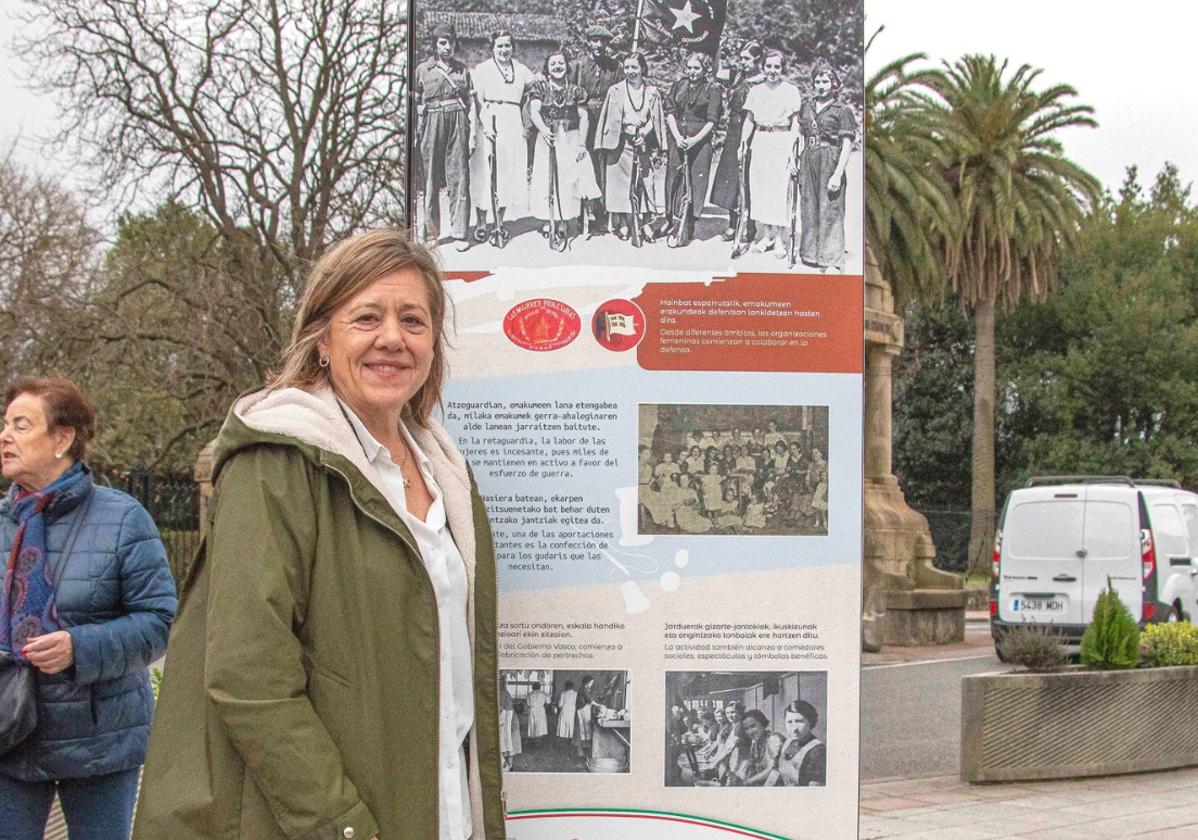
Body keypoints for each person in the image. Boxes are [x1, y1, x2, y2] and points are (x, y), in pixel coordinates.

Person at [134, 231, 506, 840]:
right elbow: (248, 675)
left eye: (413, 320)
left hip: (438, 811)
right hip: (320, 823)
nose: (393, 337)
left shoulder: (445, 475)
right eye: (367, 317)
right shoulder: (277, 463)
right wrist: (340, 825)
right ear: (323, 339)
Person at [0, 378, 176, 840]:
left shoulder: (123, 518)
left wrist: (81, 647)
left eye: (21, 425)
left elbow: (158, 622)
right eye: (5, 425)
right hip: (10, 734)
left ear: (63, 439)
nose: (5, 436)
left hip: (100, 741)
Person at [528, 50, 601, 236]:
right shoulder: (541, 88)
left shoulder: (576, 91)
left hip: (571, 138)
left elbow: (584, 117)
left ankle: (564, 219)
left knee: (569, 177)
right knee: (547, 176)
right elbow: (534, 111)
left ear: (566, 66)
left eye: (561, 63)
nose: (557, 67)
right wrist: (544, 130)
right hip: (548, 138)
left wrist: (582, 144)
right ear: (547, 68)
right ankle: (548, 217)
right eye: (553, 64)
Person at [595, 51, 667, 242]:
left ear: (642, 68)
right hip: (619, 143)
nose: (630, 71)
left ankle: (642, 221)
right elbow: (608, 117)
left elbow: (656, 118)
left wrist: (644, 133)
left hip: (641, 142)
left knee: (643, 181)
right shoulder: (615, 90)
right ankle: (624, 223)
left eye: (634, 67)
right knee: (618, 184)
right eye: (627, 67)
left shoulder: (652, 92)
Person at [414, 24, 474, 252]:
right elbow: (416, 103)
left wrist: (473, 132)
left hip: (457, 119)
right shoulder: (422, 69)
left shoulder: (461, 70)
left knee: (458, 176)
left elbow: (471, 103)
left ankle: (459, 232)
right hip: (431, 120)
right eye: (442, 42)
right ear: (435, 45)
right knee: (430, 177)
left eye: (450, 42)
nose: (447, 47)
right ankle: (431, 233)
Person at [469, 30, 533, 241]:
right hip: (489, 118)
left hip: (513, 122)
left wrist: (527, 123)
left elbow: (535, 91)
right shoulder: (483, 70)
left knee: (507, 172)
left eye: (508, 46)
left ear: (513, 47)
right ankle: (481, 222)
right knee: (486, 172)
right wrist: (486, 125)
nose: (504, 50)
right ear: (492, 48)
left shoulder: (522, 70)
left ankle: (500, 222)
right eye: (500, 46)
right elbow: (477, 100)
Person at [740, 50, 802, 255]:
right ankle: (766, 235)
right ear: (763, 67)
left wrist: (793, 152)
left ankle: (780, 241)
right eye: (769, 66)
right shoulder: (755, 91)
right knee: (761, 189)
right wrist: (743, 144)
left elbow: (795, 123)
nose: (772, 71)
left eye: (777, 67)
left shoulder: (791, 91)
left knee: (780, 190)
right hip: (760, 140)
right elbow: (749, 120)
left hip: (781, 140)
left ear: (782, 68)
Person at [798, 60, 855, 272]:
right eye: (817, 81)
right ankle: (811, 254)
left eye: (825, 81)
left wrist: (837, 174)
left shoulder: (842, 110)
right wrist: (794, 160)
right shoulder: (806, 105)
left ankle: (831, 259)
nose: (821, 85)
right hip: (808, 157)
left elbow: (847, 143)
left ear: (833, 84)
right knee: (808, 205)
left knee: (831, 208)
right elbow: (800, 135)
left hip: (830, 159)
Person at [664, 53, 722, 246]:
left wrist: (695, 140)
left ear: (705, 69)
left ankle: (689, 224)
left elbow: (712, 120)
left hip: (700, 140)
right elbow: (670, 111)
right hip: (678, 136)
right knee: (675, 177)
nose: (692, 72)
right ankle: (672, 219)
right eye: (689, 67)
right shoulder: (679, 85)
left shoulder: (712, 89)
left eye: (697, 68)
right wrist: (677, 136)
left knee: (695, 181)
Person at [570, 25, 623, 232]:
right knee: (586, 164)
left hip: (608, 118)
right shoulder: (579, 66)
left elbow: (620, 93)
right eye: (595, 40)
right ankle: (585, 210)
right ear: (588, 42)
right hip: (584, 119)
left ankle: (605, 211)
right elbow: (571, 92)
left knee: (606, 164)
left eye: (603, 41)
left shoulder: (615, 66)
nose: (599, 45)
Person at [711, 42, 765, 243]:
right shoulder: (736, 76)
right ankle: (733, 224)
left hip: (752, 131)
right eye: (741, 58)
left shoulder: (763, 82)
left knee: (749, 179)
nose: (742, 62)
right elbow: (716, 72)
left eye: (747, 59)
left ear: (757, 59)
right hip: (733, 133)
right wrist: (716, 48)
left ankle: (749, 226)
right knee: (732, 179)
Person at [778, 699, 826, 787]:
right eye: (789, 722)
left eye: (799, 721)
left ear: (810, 721)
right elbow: (777, 773)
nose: (794, 728)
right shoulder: (788, 742)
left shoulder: (817, 751)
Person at [740, 709, 785, 786]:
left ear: (763, 723)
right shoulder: (755, 743)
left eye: (753, 726)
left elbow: (772, 769)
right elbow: (752, 765)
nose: (750, 732)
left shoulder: (773, 739)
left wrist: (748, 781)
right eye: (747, 729)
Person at [573, 675, 596, 763]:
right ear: (587, 682)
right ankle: (582, 753)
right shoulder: (584, 689)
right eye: (591, 682)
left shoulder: (583, 689)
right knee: (582, 731)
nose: (592, 684)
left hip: (582, 711)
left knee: (583, 731)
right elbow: (590, 700)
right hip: (582, 712)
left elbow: (589, 700)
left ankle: (582, 752)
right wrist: (600, 705)